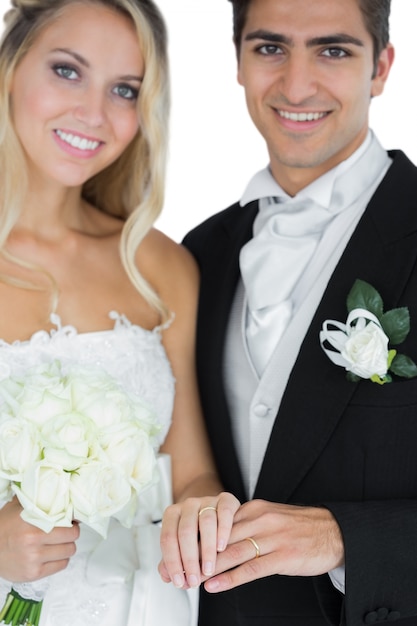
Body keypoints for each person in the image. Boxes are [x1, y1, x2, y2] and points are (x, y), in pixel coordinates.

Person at [159, 0, 417, 624]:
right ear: (239, 63)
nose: (296, 84)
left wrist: (343, 539)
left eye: (333, 50)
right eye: (270, 48)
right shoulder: (198, 254)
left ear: (380, 67)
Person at [0, 1, 238, 624]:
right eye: (67, 70)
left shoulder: (158, 266)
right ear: (10, 64)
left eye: (124, 90)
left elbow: (194, 475)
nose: (93, 114)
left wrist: (202, 510)